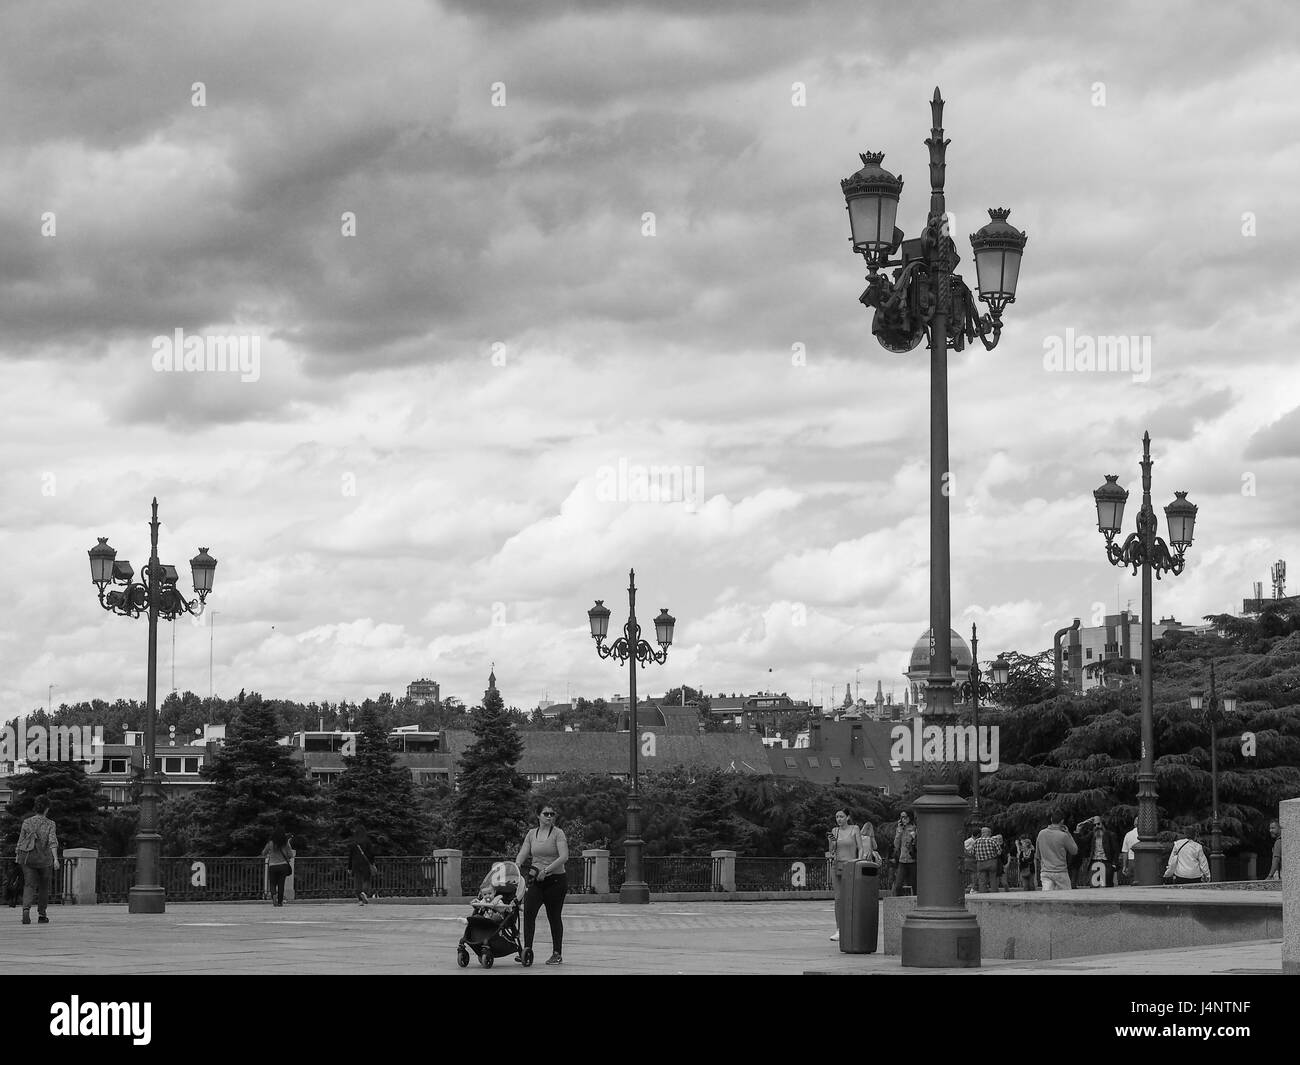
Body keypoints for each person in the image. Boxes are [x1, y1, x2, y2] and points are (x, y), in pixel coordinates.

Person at [516, 802, 569, 965]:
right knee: (529, 914)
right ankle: (527, 951)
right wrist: (516, 866)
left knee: (553, 917)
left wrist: (546, 871)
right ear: (538, 815)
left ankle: (557, 953)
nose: (549, 817)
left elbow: (564, 857)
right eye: (546, 814)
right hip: (536, 881)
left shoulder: (558, 834)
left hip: (555, 881)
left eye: (552, 814)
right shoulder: (532, 834)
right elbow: (523, 853)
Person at [14, 797, 60, 925]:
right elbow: (52, 842)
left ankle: (26, 909)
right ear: (46, 809)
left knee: (29, 885)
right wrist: (56, 859)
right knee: (44, 887)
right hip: (45, 860)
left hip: (28, 858)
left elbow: (21, 840)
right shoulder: (50, 823)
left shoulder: (27, 822)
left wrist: (18, 856)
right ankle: (42, 915)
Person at [825, 809, 862, 941]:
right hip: (837, 864)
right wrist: (832, 842)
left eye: (841, 816)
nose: (839, 819)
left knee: (850, 897)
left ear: (848, 817)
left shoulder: (855, 829)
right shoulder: (835, 831)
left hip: (850, 865)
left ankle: (852, 927)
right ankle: (839, 929)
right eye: (837, 817)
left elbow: (860, 847)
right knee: (838, 897)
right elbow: (832, 850)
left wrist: (859, 861)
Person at [1035, 812, 1077, 892]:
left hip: (1046, 871)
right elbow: (1074, 850)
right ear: (1062, 821)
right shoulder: (1063, 835)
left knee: (1047, 899)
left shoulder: (1041, 833)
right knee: (1066, 899)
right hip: (1060, 872)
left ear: (1051, 819)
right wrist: (1068, 834)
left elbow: (1038, 855)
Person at [1075, 816, 1119, 887]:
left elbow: (1116, 850)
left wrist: (1114, 864)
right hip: (1094, 863)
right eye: (1094, 825)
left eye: (1098, 824)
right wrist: (1078, 830)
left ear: (1102, 824)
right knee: (1093, 886)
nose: (1097, 826)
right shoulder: (1092, 835)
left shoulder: (1110, 835)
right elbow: (1081, 842)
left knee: (1107, 886)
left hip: (1106, 863)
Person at [261, 829, 294, 907]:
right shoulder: (285, 843)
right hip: (283, 866)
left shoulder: (270, 843)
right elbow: (291, 855)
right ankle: (280, 902)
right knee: (281, 884)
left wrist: (269, 855)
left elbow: (263, 853)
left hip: (272, 865)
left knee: (272, 883)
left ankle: (273, 895)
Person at [346, 826, 376, 904]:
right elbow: (372, 854)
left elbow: (350, 856)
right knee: (366, 879)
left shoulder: (354, 843)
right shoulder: (367, 842)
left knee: (357, 881)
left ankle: (360, 899)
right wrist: (372, 863)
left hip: (355, 864)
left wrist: (349, 867)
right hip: (365, 864)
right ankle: (364, 892)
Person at [892, 810, 917, 897]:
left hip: (913, 860)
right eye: (901, 817)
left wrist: (915, 837)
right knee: (898, 885)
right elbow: (896, 845)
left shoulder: (915, 828)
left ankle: (916, 904)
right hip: (902, 860)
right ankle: (900, 905)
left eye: (905, 817)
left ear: (909, 817)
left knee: (915, 885)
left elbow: (919, 845)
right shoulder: (900, 829)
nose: (903, 819)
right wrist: (899, 832)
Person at [972, 826, 1004, 893]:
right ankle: (994, 893)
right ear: (988, 833)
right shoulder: (992, 840)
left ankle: (983, 893)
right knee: (993, 878)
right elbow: (999, 852)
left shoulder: (976, 841)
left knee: (982, 880)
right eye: (990, 832)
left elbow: (972, 852)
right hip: (991, 862)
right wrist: (993, 854)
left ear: (982, 833)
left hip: (980, 863)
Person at [1119, 816, 1140, 885]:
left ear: (1134, 824)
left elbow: (1125, 851)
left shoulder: (1128, 835)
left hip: (1131, 861)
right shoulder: (1145, 834)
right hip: (1143, 859)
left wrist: (1124, 866)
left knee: (1133, 881)